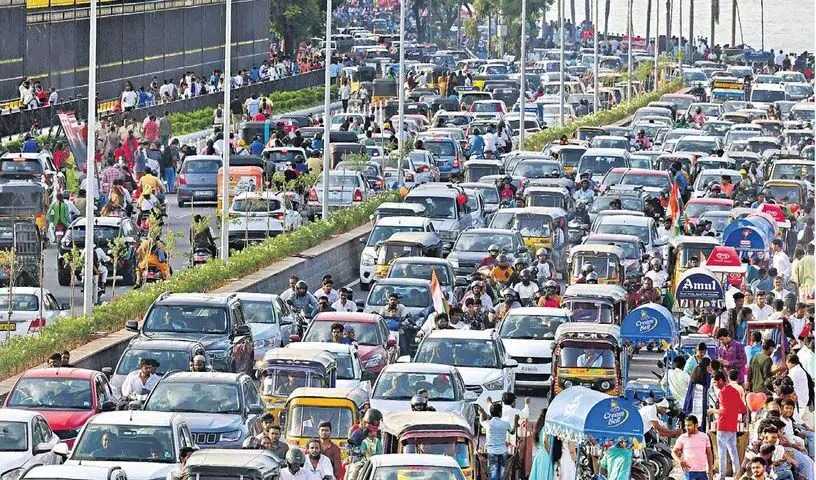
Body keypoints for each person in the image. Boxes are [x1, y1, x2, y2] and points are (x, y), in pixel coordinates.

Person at [708, 370, 746, 479]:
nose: (715, 385)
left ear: (720, 380)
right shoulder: (734, 391)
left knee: (722, 452)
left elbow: (724, 411)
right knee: (733, 451)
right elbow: (742, 408)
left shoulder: (722, 392)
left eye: (715, 383)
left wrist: (713, 411)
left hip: (723, 425)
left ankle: (722, 476)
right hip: (733, 425)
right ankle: (737, 475)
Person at [672, 414, 714, 480]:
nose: (687, 427)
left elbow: (709, 453)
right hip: (689, 472)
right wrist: (680, 461)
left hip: (702, 471)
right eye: (686, 425)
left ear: (696, 425)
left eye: (689, 425)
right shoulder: (682, 438)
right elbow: (673, 452)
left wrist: (710, 469)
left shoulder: (704, 436)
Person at [481, 402, 515, 480]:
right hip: (503, 451)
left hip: (492, 451)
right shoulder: (505, 423)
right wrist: (516, 422)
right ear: (500, 413)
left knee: (493, 473)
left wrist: (481, 414)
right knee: (502, 473)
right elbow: (512, 432)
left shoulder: (489, 423)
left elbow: (481, 421)